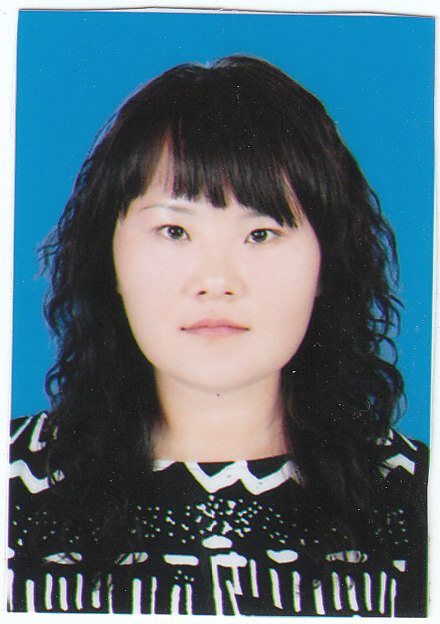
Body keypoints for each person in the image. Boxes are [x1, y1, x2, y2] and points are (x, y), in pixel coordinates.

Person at [8, 55, 428, 616]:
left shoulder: (420, 499)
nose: (216, 281)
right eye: (174, 230)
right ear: (109, 258)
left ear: (327, 262)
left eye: (261, 233)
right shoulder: (12, 481)